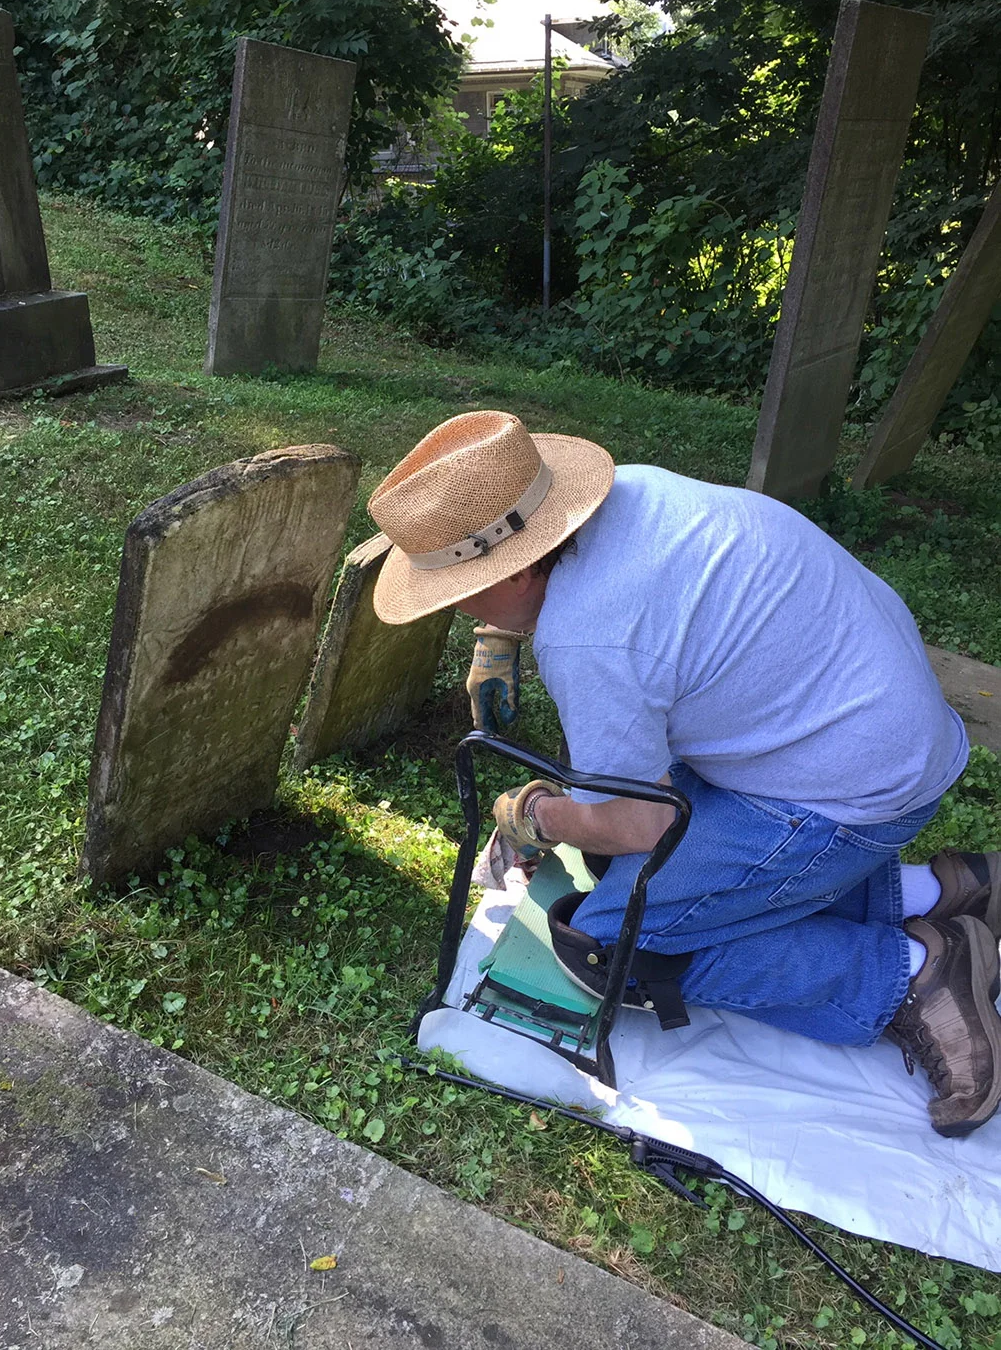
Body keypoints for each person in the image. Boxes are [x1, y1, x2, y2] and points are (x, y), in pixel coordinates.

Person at [366, 409, 1001, 1138]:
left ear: (509, 568)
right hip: (877, 733)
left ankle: (912, 975)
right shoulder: (626, 494)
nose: (452, 610)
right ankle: (941, 892)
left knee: (611, 943)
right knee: (621, 861)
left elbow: (642, 824)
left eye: (458, 591)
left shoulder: (589, 638)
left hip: (847, 798)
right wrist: (498, 631)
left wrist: (536, 814)